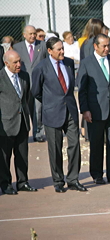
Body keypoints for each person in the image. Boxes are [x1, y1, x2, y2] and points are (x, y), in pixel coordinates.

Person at [31, 37, 87, 193]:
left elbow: (70, 88)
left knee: (74, 145)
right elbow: (36, 91)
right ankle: (58, 181)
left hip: (70, 111)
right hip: (52, 113)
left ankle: (73, 179)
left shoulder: (68, 63)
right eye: (59, 49)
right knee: (55, 148)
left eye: (63, 48)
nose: (62, 51)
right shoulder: (41, 68)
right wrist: (50, 102)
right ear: (50, 51)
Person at [77, 34, 110, 185]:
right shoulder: (86, 63)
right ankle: (97, 174)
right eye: (103, 46)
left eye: (108, 46)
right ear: (95, 46)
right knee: (96, 143)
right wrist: (85, 110)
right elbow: (82, 89)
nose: (106, 49)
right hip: (95, 110)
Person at [0, 50, 37, 195]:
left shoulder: (24, 76)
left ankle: (23, 182)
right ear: (6, 63)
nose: (18, 64)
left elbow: (26, 97)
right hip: (6, 124)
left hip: (22, 122)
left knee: (22, 155)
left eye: (19, 61)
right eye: (15, 62)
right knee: (4, 156)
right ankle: (5, 183)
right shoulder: (1, 77)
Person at [13, 25, 47, 142]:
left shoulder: (42, 45)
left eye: (34, 33)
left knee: (38, 109)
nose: (33, 36)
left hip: (39, 83)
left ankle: (39, 133)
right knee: (25, 109)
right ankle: (23, 134)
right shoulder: (17, 47)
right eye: (30, 34)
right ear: (24, 35)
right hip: (23, 83)